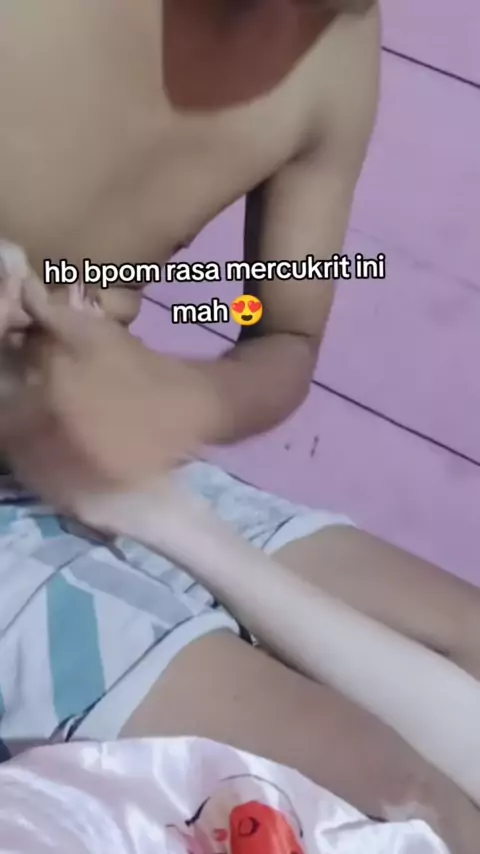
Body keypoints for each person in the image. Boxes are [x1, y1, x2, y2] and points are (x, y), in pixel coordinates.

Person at [0, 0, 479, 847]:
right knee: (408, 808)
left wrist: (182, 397)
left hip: (111, 444)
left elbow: (280, 326)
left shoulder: (336, 49)